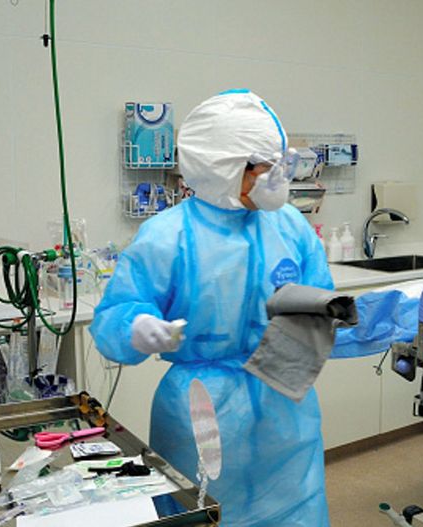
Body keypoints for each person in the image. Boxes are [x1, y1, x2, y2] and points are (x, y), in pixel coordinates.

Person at [91, 90, 332, 526]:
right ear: (222, 167)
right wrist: (136, 326)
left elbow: (322, 305)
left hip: (284, 407)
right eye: (262, 167)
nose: (275, 179)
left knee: (297, 510)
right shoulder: (168, 236)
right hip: (202, 412)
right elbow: (114, 315)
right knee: (203, 511)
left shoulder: (290, 226)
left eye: (278, 165)